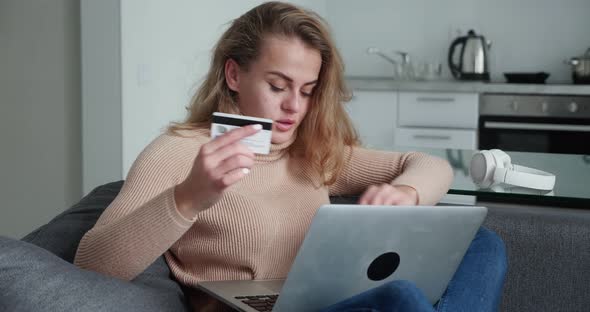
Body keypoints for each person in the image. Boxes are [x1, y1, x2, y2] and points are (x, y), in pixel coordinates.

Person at [0, 2, 506, 311]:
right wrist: (189, 198)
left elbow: (429, 163)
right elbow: (96, 262)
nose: (293, 107)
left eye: (307, 90)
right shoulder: (183, 150)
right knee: (400, 301)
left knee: (483, 244)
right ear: (234, 75)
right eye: (278, 85)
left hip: (332, 296)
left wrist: (407, 192)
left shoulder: (312, 152)